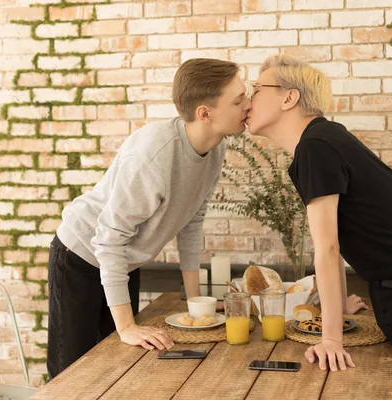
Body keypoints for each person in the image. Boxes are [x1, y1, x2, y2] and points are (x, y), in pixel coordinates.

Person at [245, 54, 392, 400]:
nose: (248, 99)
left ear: (289, 98)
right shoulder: (321, 140)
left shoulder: (316, 147)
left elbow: (328, 247)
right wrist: (341, 309)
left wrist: (331, 337)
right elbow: (340, 238)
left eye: (256, 89)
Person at [46, 58, 251, 380]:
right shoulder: (153, 156)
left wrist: (196, 303)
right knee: (72, 374)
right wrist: (126, 326)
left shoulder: (215, 148)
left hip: (121, 262)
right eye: (239, 100)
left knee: (118, 364)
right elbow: (109, 238)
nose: (249, 105)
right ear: (205, 113)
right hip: (81, 255)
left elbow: (192, 221)